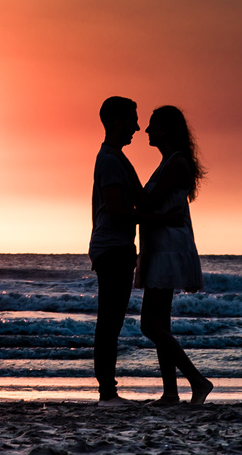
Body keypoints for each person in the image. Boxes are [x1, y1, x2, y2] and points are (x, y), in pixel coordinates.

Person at [137, 105, 213, 405]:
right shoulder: (169, 162)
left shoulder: (176, 163)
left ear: (166, 129)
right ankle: (170, 392)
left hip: (168, 249)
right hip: (161, 246)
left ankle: (198, 381)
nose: (147, 130)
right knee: (161, 324)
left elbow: (147, 203)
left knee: (149, 324)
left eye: (153, 124)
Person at [88, 96, 144, 406]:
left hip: (112, 247)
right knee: (110, 322)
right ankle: (107, 393)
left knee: (111, 321)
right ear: (117, 121)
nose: (137, 126)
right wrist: (158, 219)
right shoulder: (110, 160)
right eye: (132, 119)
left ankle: (108, 391)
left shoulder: (114, 157)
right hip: (113, 248)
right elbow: (117, 210)